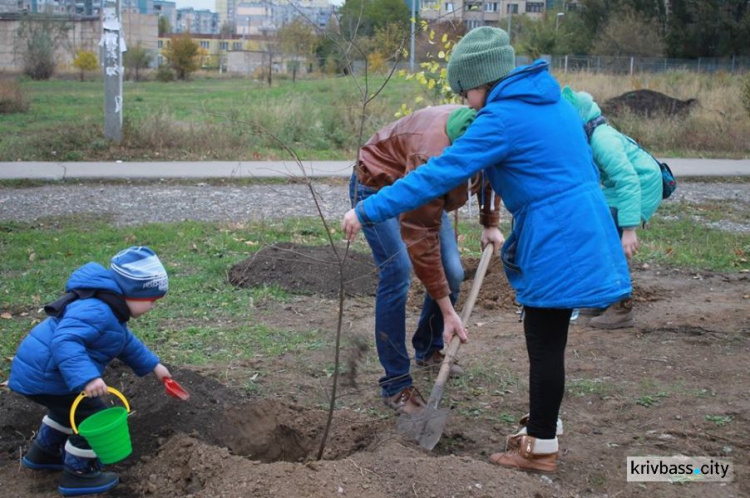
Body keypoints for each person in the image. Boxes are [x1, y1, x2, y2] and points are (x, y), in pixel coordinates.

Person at [342, 27, 631, 473]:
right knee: (551, 339)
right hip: (587, 224)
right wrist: (492, 224)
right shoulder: (553, 103)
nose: (466, 100)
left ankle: (540, 447)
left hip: (556, 236)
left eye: (466, 90)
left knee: (545, 343)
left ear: (481, 81)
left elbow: (434, 177)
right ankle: (540, 429)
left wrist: (367, 211)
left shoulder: (499, 119)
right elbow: (521, 167)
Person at [351, 104, 504, 415]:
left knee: (453, 271)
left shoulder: (487, 134)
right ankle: (396, 384)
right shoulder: (433, 157)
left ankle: (428, 349)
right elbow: (419, 233)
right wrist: (449, 311)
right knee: (398, 272)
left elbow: (492, 177)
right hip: (377, 187)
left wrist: (490, 223)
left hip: (424, 193)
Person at [9, 246, 172, 496]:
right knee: (92, 417)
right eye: (150, 299)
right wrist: (88, 377)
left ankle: (45, 453)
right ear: (130, 292)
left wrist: (154, 366)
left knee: (66, 411)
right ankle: (79, 474)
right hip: (46, 376)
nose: (152, 306)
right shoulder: (96, 310)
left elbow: (124, 342)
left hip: (44, 375)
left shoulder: (110, 310)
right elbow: (65, 341)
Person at [562, 86, 663, 329]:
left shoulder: (602, 140)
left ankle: (621, 307)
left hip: (640, 187)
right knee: (596, 230)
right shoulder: (593, 136)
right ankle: (603, 297)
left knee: (609, 237)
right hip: (621, 189)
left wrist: (629, 229)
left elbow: (628, 180)